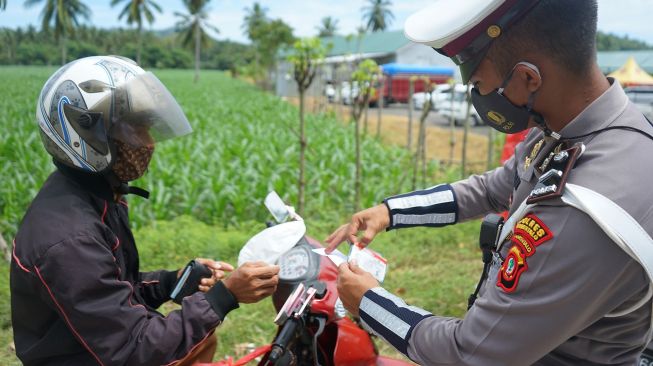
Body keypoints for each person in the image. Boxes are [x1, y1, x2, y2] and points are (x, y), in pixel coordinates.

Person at [325, 0, 653, 364]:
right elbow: (491, 188)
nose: (478, 97)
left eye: (479, 84)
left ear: (529, 78)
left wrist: (369, 302)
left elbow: (471, 353)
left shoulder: (587, 208)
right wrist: (391, 212)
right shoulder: (573, 128)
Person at [10, 55, 280, 365]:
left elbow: (113, 287)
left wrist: (171, 281)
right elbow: (133, 350)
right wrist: (224, 296)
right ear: (85, 134)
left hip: (92, 346)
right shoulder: (70, 240)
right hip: (84, 357)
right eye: (135, 130)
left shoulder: (95, 194)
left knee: (204, 341)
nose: (149, 143)